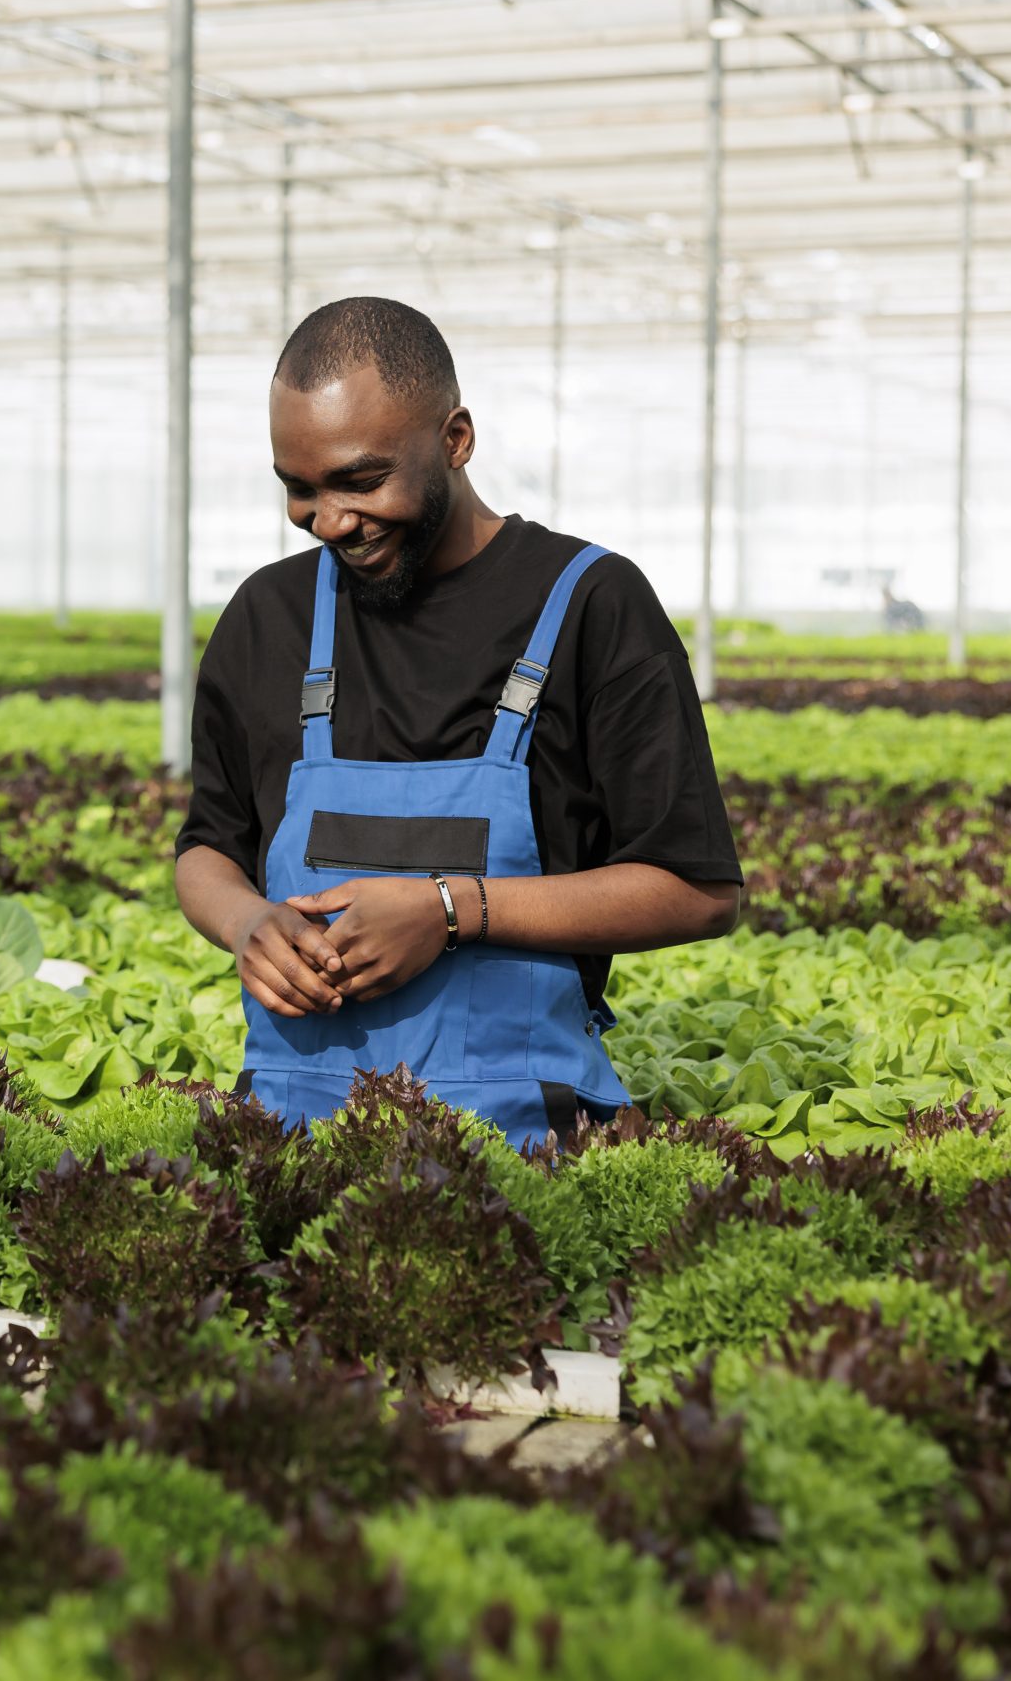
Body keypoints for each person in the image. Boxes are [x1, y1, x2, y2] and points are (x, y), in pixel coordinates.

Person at [173, 297, 744, 1149]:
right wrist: (245, 921)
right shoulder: (267, 618)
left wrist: (449, 909)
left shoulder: (592, 603)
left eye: (362, 480)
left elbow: (699, 891)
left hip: (528, 1138)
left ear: (456, 439)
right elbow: (209, 847)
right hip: (287, 1130)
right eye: (300, 488)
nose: (330, 521)